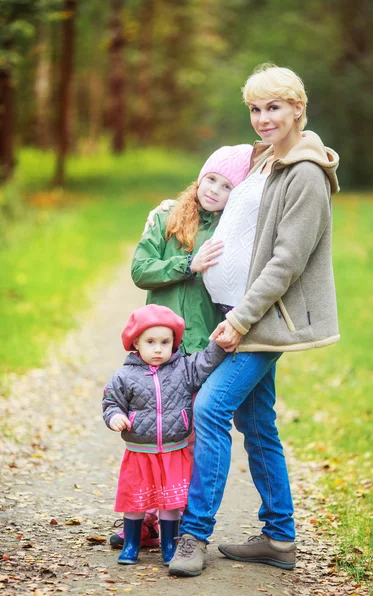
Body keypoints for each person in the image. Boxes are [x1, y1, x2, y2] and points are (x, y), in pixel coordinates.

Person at [167, 63, 340, 577]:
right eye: (256, 109)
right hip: (236, 312)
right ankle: (279, 538)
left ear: (297, 109)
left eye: (274, 108)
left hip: (262, 319)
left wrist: (241, 320)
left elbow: (286, 262)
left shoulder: (306, 173)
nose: (263, 119)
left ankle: (194, 535)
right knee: (257, 423)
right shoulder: (265, 160)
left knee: (210, 407)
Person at [109, 143, 253, 550]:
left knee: (184, 438)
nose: (214, 190)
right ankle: (146, 517)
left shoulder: (231, 230)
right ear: (200, 176)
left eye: (226, 186)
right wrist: (186, 264)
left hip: (198, 350)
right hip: (157, 345)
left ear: (235, 196)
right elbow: (140, 270)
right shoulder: (166, 216)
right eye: (211, 178)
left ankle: (180, 521)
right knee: (147, 432)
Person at [102, 304, 225, 566]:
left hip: (174, 450)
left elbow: (205, 361)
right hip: (140, 452)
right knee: (135, 499)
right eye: (150, 341)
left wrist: (218, 342)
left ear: (174, 343)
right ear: (136, 342)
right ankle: (132, 544)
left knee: (170, 501)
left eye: (165, 342)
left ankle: (169, 545)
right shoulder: (124, 375)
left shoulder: (184, 369)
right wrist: (115, 418)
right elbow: (111, 403)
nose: (158, 348)